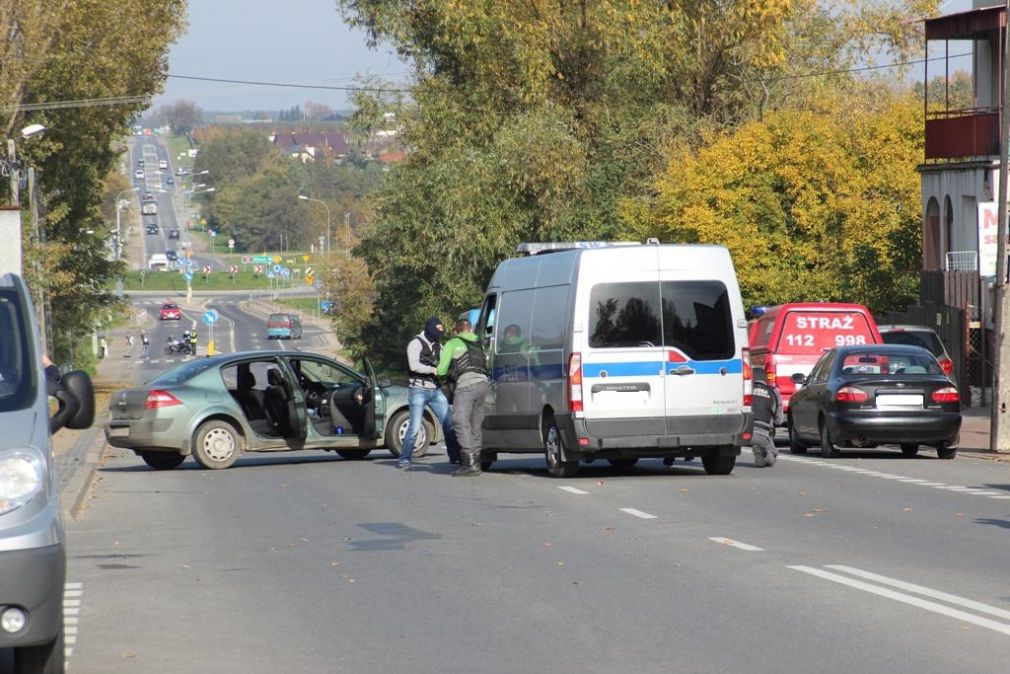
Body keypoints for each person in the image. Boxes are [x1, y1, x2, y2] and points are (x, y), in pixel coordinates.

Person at [399, 317, 458, 470]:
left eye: (441, 329)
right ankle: (404, 459)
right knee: (415, 426)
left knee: (449, 423)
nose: (440, 332)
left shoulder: (439, 345)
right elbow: (414, 365)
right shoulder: (415, 343)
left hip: (435, 390)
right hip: (418, 389)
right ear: (430, 328)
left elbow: (449, 358)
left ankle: (455, 457)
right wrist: (433, 370)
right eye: (437, 329)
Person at [437, 317, 490, 477]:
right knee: (475, 424)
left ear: (456, 330)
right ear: (470, 329)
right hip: (483, 384)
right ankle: (477, 460)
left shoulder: (452, 343)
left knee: (460, 421)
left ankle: (469, 462)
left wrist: (443, 380)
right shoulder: (479, 343)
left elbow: (441, 370)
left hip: (466, 385)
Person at [751, 369, 785, 467]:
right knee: (772, 456)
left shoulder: (745, 389)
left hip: (741, 433)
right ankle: (765, 454)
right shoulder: (773, 392)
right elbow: (779, 421)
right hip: (762, 433)